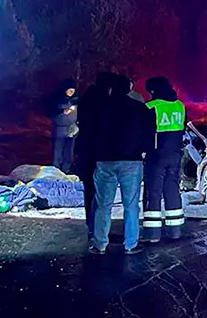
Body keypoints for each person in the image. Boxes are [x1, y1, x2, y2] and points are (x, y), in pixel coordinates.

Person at [88, 75, 156, 255]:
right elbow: (150, 132)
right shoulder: (140, 108)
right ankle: (131, 244)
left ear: (112, 89)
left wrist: (95, 153)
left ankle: (100, 244)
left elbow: (90, 132)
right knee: (131, 205)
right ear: (129, 89)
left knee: (103, 205)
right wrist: (144, 151)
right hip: (131, 161)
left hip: (105, 161)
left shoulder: (100, 108)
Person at [142, 76, 187, 242]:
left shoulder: (150, 107)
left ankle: (153, 233)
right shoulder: (180, 106)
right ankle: (175, 230)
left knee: (153, 191)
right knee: (172, 190)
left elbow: (144, 132)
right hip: (175, 154)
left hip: (156, 155)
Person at [75, 72, 116, 243]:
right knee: (100, 191)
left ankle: (92, 226)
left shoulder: (87, 98)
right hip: (98, 151)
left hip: (85, 149)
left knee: (89, 189)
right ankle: (97, 229)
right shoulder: (104, 101)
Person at [49, 79, 78, 173]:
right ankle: (56, 169)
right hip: (60, 127)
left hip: (72, 127)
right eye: (69, 90)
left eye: (73, 90)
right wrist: (62, 111)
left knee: (69, 150)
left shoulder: (75, 100)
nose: (71, 92)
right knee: (58, 149)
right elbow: (51, 111)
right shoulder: (57, 99)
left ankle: (67, 169)